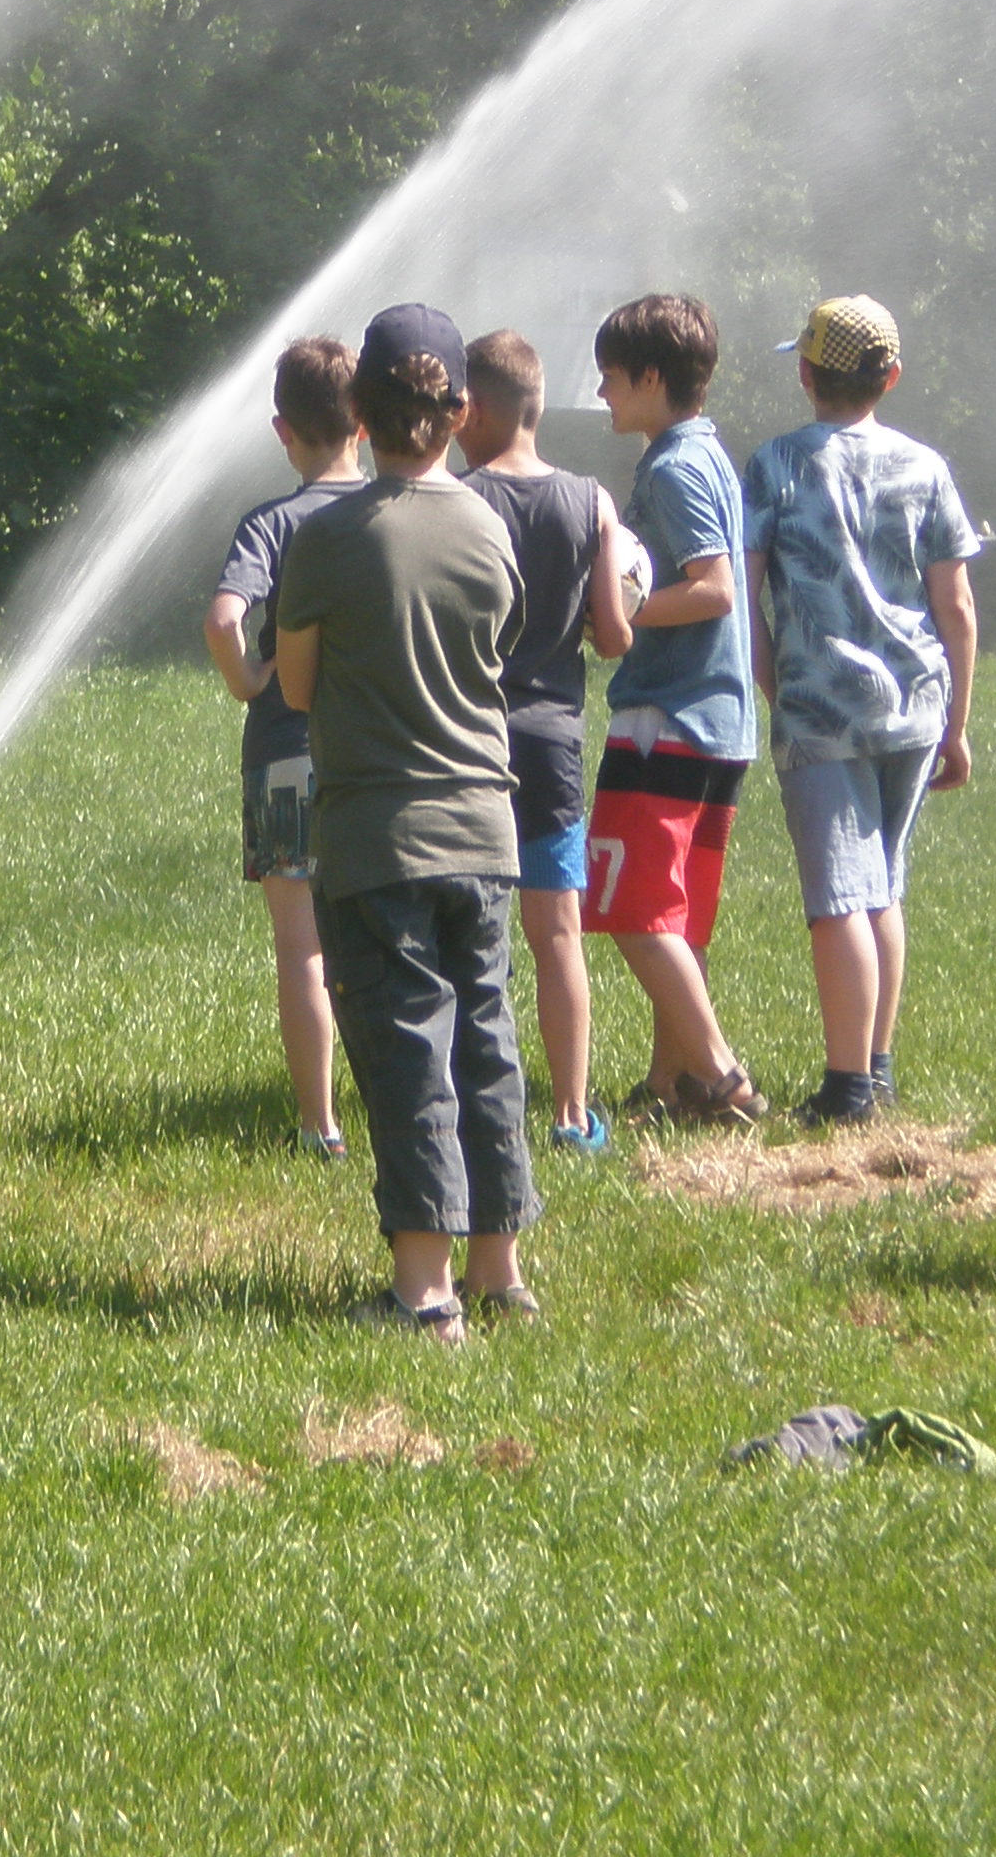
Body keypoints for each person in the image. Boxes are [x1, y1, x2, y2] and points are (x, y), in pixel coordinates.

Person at [274, 303, 534, 1342]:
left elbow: (295, 687)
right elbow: (499, 650)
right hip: (486, 831)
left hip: (377, 841)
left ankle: (425, 1293)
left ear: (357, 412)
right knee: (485, 1042)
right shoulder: (490, 525)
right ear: (460, 411)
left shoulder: (327, 538)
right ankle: (500, 1270)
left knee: (406, 1051)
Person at [743, 296, 980, 1128]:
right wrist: (956, 726)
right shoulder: (926, 467)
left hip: (822, 709)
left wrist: (776, 690)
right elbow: (957, 608)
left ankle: (846, 1090)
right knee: (882, 889)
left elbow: (746, 598)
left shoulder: (776, 463)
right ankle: (877, 1072)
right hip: (916, 708)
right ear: (892, 377)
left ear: (806, 374)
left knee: (839, 898)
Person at [587, 295, 770, 1127]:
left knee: (631, 908)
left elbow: (715, 589)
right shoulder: (705, 454)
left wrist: (619, 615)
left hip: (669, 721)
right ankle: (673, 1084)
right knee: (677, 917)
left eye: (613, 375)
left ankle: (723, 1076)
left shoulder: (672, 468)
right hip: (719, 725)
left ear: (654, 377)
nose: (601, 390)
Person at [458, 328, 633, 1153]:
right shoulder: (592, 502)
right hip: (554, 742)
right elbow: (615, 636)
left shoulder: (461, 500)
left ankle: (473, 1100)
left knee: (474, 931)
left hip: (473, 740)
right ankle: (570, 1112)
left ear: (477, 409)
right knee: (558, 932)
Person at [202, 335, 367, 1158]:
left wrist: (248, 678)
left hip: (282, 754)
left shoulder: (271, 523)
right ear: (363, 424)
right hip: (370, 755)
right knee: (377, 935)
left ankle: (319, 1126)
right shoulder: (389, 509)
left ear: (283, 431)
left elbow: (224, 618)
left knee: (301, 948)